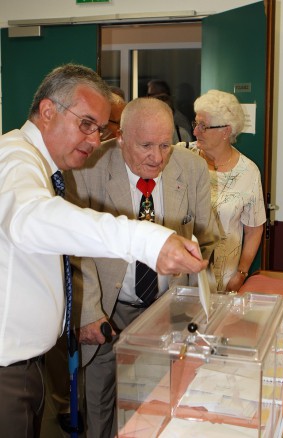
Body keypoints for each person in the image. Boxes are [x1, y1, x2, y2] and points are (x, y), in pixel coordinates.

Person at [0, 63, 209, 438]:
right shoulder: (14, 158)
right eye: (85, 124)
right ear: (48, 111)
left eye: (99, 128)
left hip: (27, 365)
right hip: (8, 370)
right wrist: (148, 240)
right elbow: (33, 219)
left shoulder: (42, 165)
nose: (95, 140)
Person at [64, 96, 220, 437]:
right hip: (108, 306)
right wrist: (88, 311)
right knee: (101, 401)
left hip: (169, 307)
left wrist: (204, 303)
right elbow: (75, 249)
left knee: (159, 398)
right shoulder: (89, 167)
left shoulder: (191, 168)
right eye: (146, 145)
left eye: (165, 144)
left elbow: (206, 238)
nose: (157, 157)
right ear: (120, 138)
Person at [44, 90, 127, 434]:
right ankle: (66, 404)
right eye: (89, 125)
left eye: (106, 127)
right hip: (60, 300)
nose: (105, 137)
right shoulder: (50, 166)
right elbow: (74, 241)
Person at [191, 89, 266, 292]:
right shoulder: (182, 158)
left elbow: (254, 229)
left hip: (225, 281)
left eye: (203, 126)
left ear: (226, 131)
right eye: (196, 124)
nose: (195, 131)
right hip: (181, 277)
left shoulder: (248, 172)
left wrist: (241, 273)